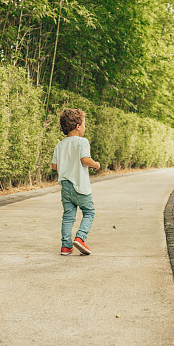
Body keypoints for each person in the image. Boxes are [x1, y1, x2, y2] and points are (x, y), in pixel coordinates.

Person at [51, 108, 100, 256]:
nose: (85, 128)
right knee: (89, 212)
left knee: (68, 216)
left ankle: (66, 246)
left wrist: (67, 164)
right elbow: (85, 160)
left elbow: (54, 166)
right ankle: (80, 237)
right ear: (78, 126)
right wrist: (96, 164)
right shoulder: (82, 142)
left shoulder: (59, 145)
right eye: (84, 125)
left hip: (66, 186)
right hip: (80, 186)